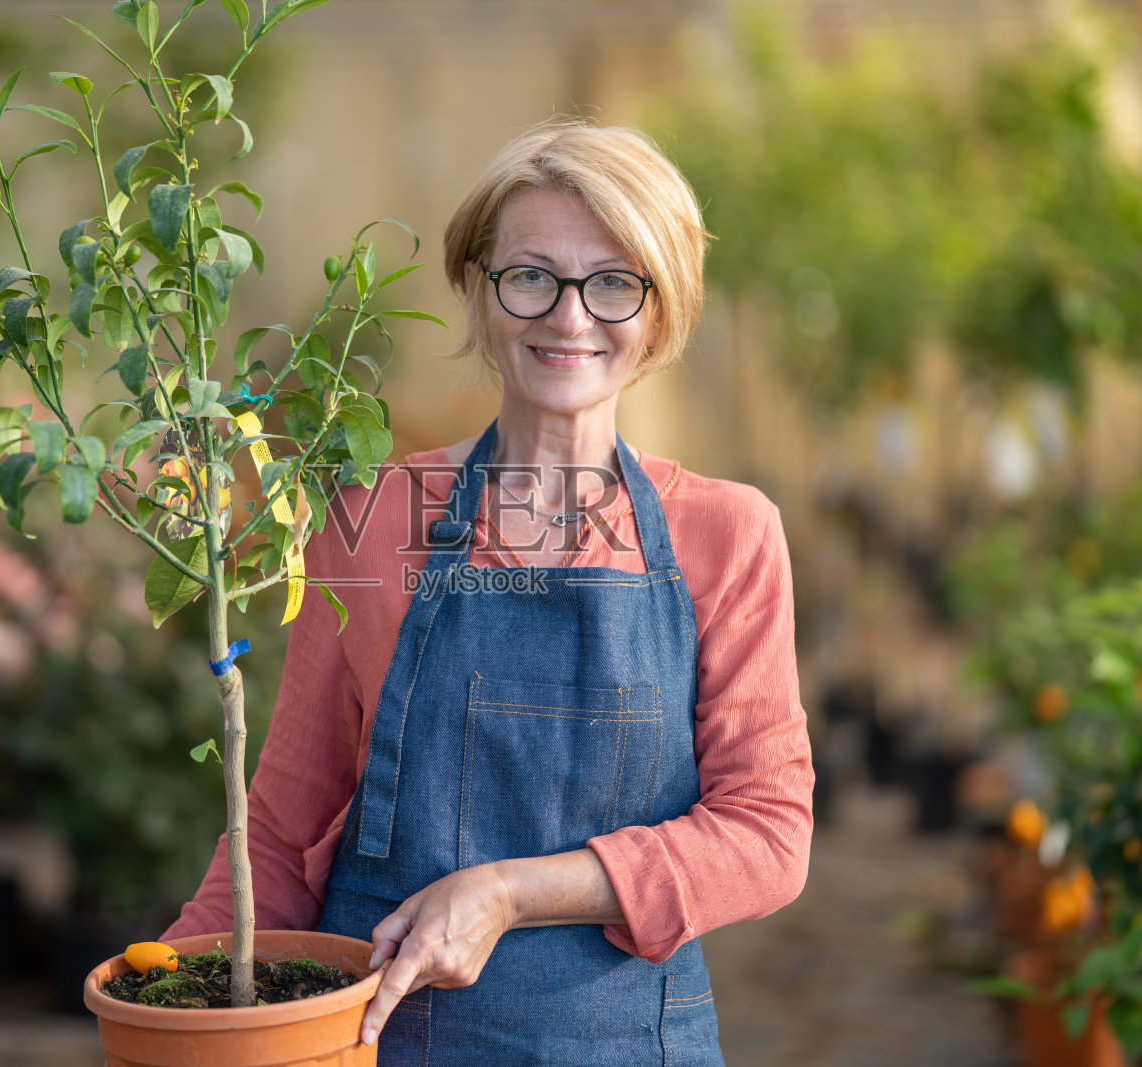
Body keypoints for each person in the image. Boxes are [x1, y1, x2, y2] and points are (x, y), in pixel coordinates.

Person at [165, 121, 814, 1064]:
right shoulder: (373, 518)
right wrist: (179, 992)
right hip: (379, 1040)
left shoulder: (727, 533)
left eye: (614, 281)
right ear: (477, 288)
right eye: (531, 275)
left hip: (628, 1043)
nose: (570, 315)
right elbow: (275, 827)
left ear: (661, 308)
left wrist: (509, 891)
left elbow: (767, 831)